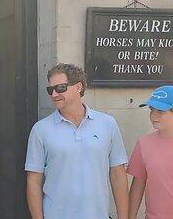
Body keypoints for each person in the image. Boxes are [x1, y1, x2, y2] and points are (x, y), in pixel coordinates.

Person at [25, 63, 129, 219]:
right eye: (50, 90)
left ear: (78, 87)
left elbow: (118, 175)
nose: (54, 94)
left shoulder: (108, 124)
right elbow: (33, 182)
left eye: (60, 88)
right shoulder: (40, 130)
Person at [127, 85, 173, 219]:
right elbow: (137, 186)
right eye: (151, 110)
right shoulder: (144, 144)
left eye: (160, 111)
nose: (153, 116)